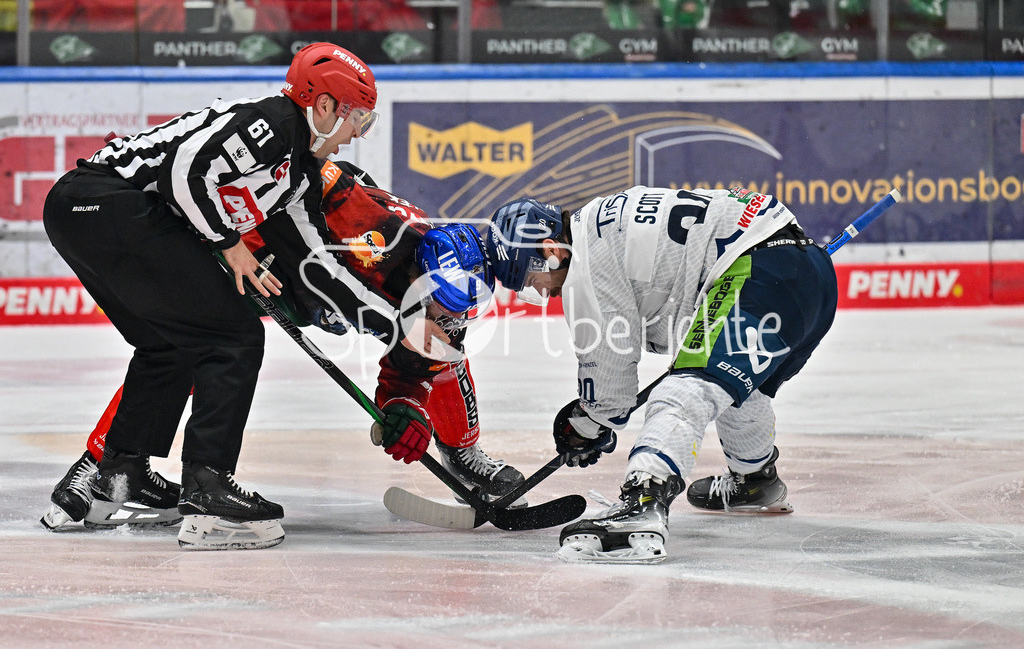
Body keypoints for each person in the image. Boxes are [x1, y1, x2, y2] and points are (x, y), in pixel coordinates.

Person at [41, 158, 524, 534]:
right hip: (255, 258)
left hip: (299, 286)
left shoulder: (432, 294)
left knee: (445, 355)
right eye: (443, 307)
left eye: (460, 312)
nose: (450, 320)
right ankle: (102, 464)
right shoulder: (363, 233)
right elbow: (311, 181)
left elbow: (406, 375)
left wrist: (404, 409)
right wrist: (230, 242)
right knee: (190, 344)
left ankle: (463, 454)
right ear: (420, 276)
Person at [41, 42, 389, 550]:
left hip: (78, 212)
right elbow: (183, 172)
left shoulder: (297, 176)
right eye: (357, 116)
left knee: (171, 344)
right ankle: (209, 488)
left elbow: (321, 266)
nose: (358, 132)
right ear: (323, 106)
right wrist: (231, 247)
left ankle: (119, 472)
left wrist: (395, 325)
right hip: (104, 201)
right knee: (234, 337)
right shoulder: (272, 123)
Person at [485, 187, 837, 563]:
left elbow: (611, 388)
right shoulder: (604, 219)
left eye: (527, 278)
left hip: (759, 274)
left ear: (551, 250)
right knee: (735, 388)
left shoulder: (587, 260)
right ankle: (754, 479)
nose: (538, 290)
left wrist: (585, 423)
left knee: (686, 390)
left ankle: (644, 499)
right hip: (810, 275)